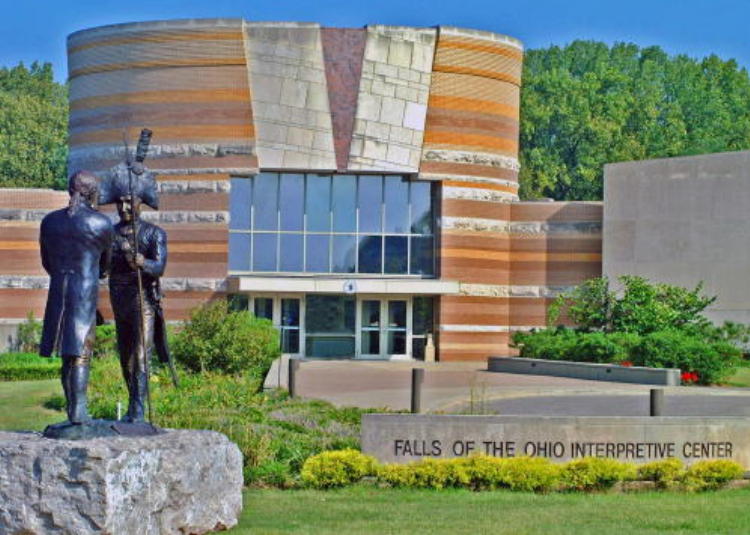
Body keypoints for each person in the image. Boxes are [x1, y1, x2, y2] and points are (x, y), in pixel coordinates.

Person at [39, 171, 115, 424]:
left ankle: (73, 410)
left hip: (58, 290)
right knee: (81, 353)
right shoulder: (101, 224)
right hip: (84, 294)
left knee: (66, 354)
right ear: (91, 192)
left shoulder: (49, 222)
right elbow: (106, 265)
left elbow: (46, 262)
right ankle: (79, 411)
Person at [109, 195, 167, 423]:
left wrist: (143, 263)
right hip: (119, 299)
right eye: (119, 203)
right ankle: (133, 404)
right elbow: (102, 266)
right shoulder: (110, 233)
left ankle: (138, 411)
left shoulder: (154, 233)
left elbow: (159, 267)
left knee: (140, 356)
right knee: (125, 358)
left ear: (139, 204)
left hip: (142, 299)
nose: (124, 208)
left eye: (129, 202)